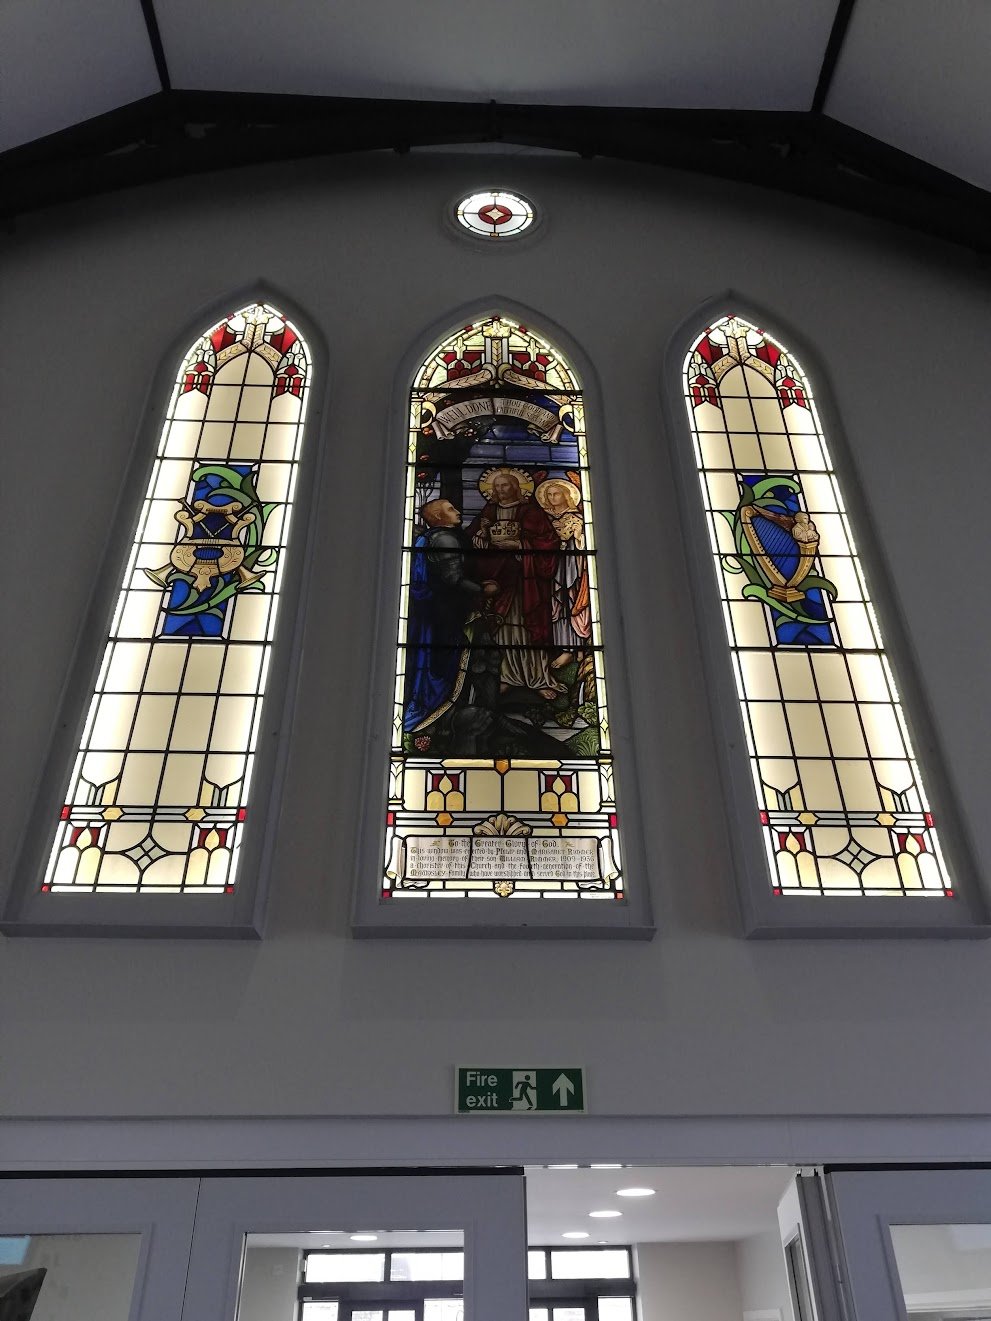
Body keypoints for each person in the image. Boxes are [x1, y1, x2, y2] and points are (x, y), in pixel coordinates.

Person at [403, 498, 498, 735]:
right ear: (437, 518)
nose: (457, 512)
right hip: (443, 612)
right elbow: (452, 579)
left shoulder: (430, 538)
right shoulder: (444, 538)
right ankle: (435, 711)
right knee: (443, 662)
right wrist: (483, 590)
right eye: (450, 509)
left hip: (431, 610)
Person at [468, 469, 562, 700]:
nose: (500, 490)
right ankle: (505, 676)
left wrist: (520, 545)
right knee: (502, 628)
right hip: (499, 577)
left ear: (517, 488)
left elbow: (549, 541)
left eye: (505, 485)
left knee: (529, 625)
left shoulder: (530, 511)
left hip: (525, 578)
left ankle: (538, 677)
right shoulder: (488, 510)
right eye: (496, 486)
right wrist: (479, 537)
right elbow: (472, 536)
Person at [535, 477, 591, 668]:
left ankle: (573, 649)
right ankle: (562, 647)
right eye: (549, 495)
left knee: (570, 603)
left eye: (556, 493)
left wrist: (578, 535)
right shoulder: (543, 517)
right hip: (550, 565)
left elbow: (583, 543)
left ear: (567, 495)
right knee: (555, 607)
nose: (552, 498)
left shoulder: (577, 517)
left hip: (571, 565)